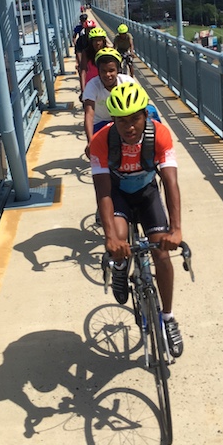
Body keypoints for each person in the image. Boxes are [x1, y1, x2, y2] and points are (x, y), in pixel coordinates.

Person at [89, 82, 184, 357]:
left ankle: (167, 318)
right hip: (118, 194)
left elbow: (170, 183)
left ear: (146, 116)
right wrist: (109, 239)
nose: (129, 126)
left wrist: (175, 230)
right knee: (118, 239)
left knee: (162, 256)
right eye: (121, 121)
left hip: (146, 194)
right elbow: (103, 190)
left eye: (135, 119)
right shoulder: (102, 141)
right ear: (113, 120)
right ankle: (120, 268)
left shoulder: (161, 135)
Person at [82, 47, 136, 158]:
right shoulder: (92, 86)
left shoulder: (127, 82)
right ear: (98, 71)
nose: (107, 75)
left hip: (123, 120)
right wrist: (90, 142)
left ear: (118, 70)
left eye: (111, 70)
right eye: (103, 71)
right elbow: (89, 114)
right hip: (100, 122)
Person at [75, 19, 96, 96]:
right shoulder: (81, 40)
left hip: (95, 59)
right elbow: (78, 52)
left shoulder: (97, 38)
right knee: (82, 72)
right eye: (88, 29)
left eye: (91, 29)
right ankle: (83, 91)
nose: (90, 31)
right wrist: (80, 63)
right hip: (85, 59)